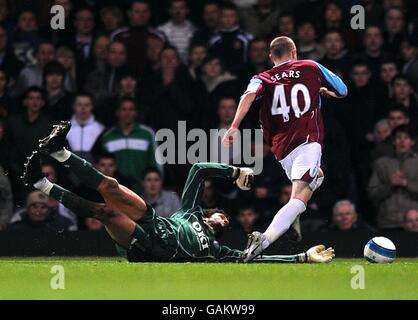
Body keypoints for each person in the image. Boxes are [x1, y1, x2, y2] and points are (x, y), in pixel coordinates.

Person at [22, 121, 334, 263]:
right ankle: (59, 152)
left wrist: (302, 257)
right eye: (222, 215)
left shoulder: (215, 251)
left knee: (107, 211)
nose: (224, 219)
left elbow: (251, 258)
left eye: (226, 222)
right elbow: (198, 170)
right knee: (112, 187)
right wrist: (236, 172)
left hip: (147, 249)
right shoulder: (189, 212)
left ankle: (44, 186)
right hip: (154, 220)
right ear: (211, 213)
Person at [223, 36, 347, 262]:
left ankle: (291, 220)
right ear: (294, 52)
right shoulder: (311, 66)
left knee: (316, 177)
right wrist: (330, 93)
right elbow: (343, 89)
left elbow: (248, 95)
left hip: (281, 148)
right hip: (307, 140)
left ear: (271, 57)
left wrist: (233, 126)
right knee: (300, 197)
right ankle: (263, 240)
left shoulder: (263, 77)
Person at [368, 125, 418, 229]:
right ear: (394, 141)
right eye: (399, 138)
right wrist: (390, 184)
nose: (402, 141)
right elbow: (372, 193)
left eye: (406, 138)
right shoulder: (382, 163)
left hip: (413, 223)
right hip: (388, 223)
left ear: (412, 142)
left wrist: (406, 183)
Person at [9, 190, 73, 232]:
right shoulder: (15, 228)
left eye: (43, 207)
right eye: (35, 206)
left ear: (48, 210)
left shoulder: (60, 226)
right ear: (28, 209)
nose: (39, 211)